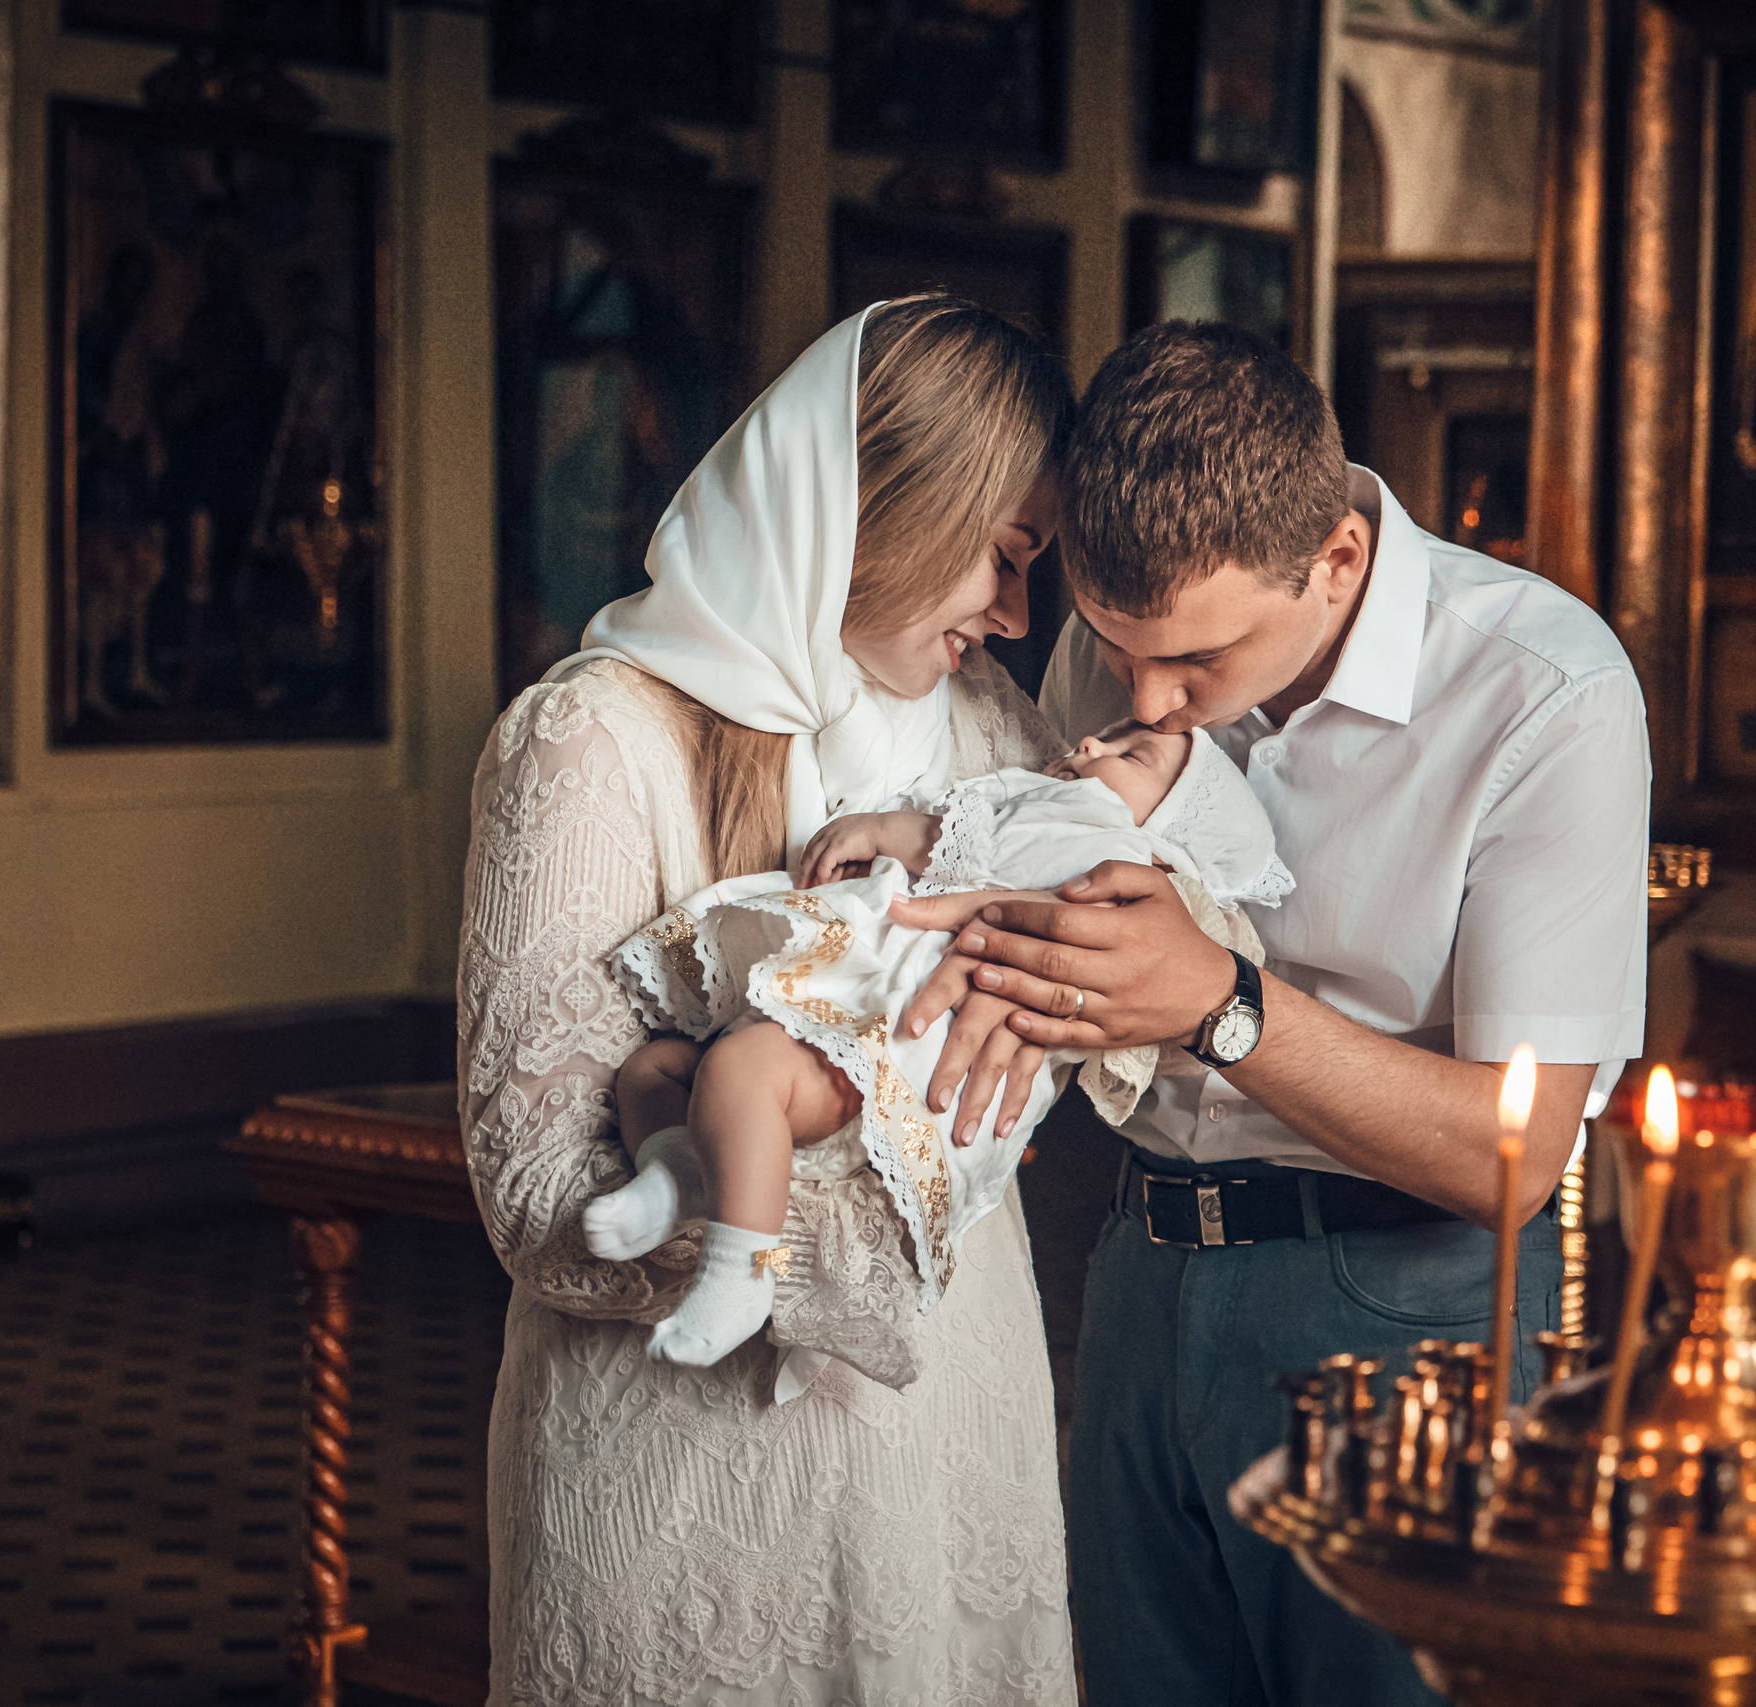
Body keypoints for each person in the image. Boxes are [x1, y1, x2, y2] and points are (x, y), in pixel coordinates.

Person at [896, 321, 1651, 1704]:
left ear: (1338, 562)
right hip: (1137, 1267)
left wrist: (1218, 1002)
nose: (1144, 699)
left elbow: (1520, 1154)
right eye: (1115, 649)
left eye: (1195, 660)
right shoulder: (1120, 654)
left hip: (1410, 1304)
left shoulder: (1547, 692)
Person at [456, 297, 1079, 1706]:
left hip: (950, 1443)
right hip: (686, 1482)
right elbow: (539, 1194)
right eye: (1004, 556)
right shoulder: (594, 738)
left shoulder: (994, 736)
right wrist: (841, 1242)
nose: (1017, 613)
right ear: (893, 504)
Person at [591, 721, 1290, 1366]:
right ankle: (681, 1171)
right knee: (654, 1071)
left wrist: (885, 829)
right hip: (854, 1003)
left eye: (1132, 756)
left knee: (739, 1075)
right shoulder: (1067, 807)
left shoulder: (1117, 848)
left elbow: (966, 844)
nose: (1093, 743)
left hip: (895, 1039)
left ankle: (743, 1271)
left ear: (1172, 830)